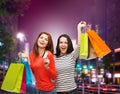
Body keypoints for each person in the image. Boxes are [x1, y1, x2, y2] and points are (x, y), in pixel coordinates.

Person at [54, 21, 86, 94]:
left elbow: (79, 45)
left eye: (66, 43)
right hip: (58, 92)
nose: (63, 45)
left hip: (73, 91)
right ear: (58, 44)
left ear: (69, 44)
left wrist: (78, 28)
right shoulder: (53, 57)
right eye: (61, 42)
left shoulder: (72, 55)